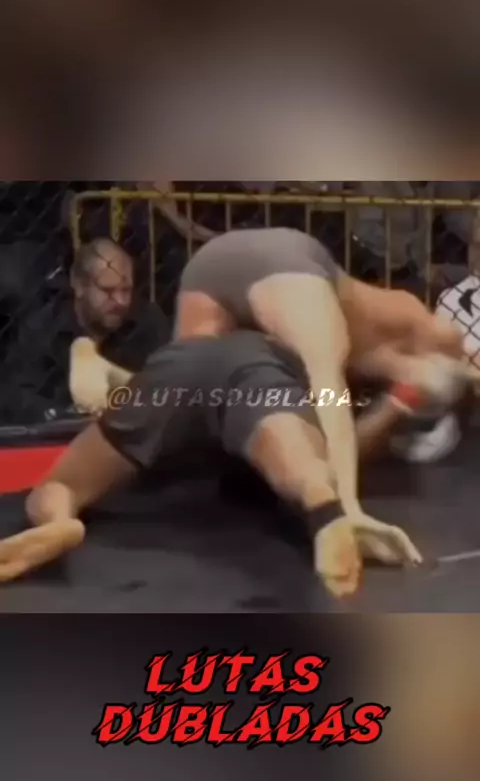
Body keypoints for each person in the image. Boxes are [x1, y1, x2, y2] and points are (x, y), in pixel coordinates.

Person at [0, 330, 424, 597]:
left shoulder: (215, 321)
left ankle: (58, 521)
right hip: (255, 372)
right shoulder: (311, 355)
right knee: (303, 460)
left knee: (60, 485)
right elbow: (341, 439)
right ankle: (321, 502)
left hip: (174, 370)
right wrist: (398, 404)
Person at [174, 227, 467, 544]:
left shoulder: (387, 352)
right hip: (287, 270)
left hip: (212, 268)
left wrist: (400, 400)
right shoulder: (407, 323)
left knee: (182, 394)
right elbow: (331, 394)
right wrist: (348, 510)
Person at [69, 238, 171, 414]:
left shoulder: (148, 321)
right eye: (107, 290)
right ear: (79, 286)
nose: (120, 301)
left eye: (126, 290)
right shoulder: (48, 325)